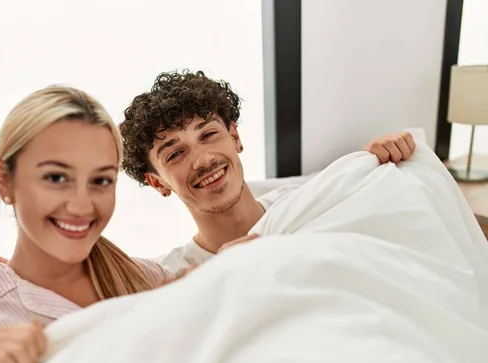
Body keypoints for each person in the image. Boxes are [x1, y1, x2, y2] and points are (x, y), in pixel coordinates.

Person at [0, 85, 173, 363]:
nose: (80, 206)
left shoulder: (153, 281)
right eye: (56, 177)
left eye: (101, 180)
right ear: (4, 182)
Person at [119, 70, 417, 271]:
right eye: (176, 154)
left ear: (235, 137)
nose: (202, 160)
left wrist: (378, 160)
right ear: (157, 183)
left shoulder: (307, 204)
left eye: (208, 135)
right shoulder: (175, 277)